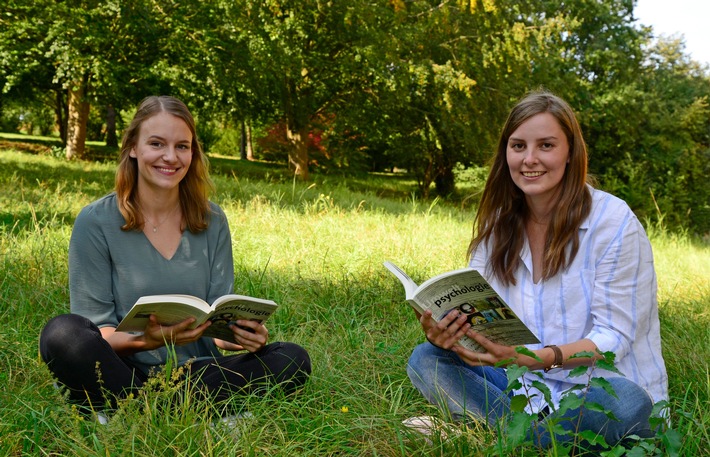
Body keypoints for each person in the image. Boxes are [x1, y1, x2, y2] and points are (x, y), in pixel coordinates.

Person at [406, 91, 668, 448]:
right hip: (524, 389)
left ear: (570, 153)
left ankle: (491, 434)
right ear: (506, 153)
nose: (530, 159)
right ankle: (530, 440)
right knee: (427, 358)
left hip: (603, 388)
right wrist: (449, 333)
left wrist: (534, 359)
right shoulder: (498, 224)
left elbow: (614, 339)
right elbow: (484, 316)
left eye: (546, 145)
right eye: (518, 146)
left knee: (625, 405)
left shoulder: (614, 222)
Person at [39, 96, 311, 416]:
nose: (170, 157)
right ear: (133, 148)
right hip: (124, 370)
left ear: (193, 153)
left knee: (293, 358)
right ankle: (180, 411)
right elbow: (100, 335)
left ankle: (133, 411)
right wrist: (148, 340)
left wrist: (242, 337)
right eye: (156, 143)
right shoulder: (95, 221)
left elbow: (216, 321)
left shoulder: (212, 220)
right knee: (62, 335)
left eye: (182, 146)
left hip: (198, 372)